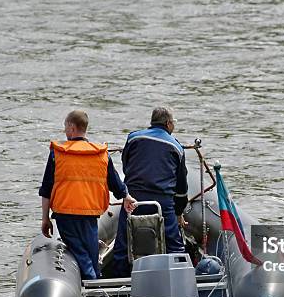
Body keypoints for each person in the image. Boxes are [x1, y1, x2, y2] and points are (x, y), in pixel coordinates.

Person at [39, 110, 136, 280]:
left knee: (80, 255)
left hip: (65, 215)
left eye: (65, 127)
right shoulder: (100, 154)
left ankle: (93, 285)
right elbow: (115, 183)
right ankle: (97, 296)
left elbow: (46, 189)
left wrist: (45, 219)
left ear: (71, 127)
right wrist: (126, 196)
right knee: (90, 255)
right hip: (89, 215)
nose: (65, 131)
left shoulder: (58, 153)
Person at [113, 106, 188, 277]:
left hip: (133, 198)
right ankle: (181, 279)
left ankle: (119, 281)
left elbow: (126, 165)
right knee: (175, 245)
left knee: (123, 242)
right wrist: (179, 212)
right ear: (169, 123)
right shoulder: (176, 146)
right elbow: (181, 187)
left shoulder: (133, 138)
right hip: (162, 201)